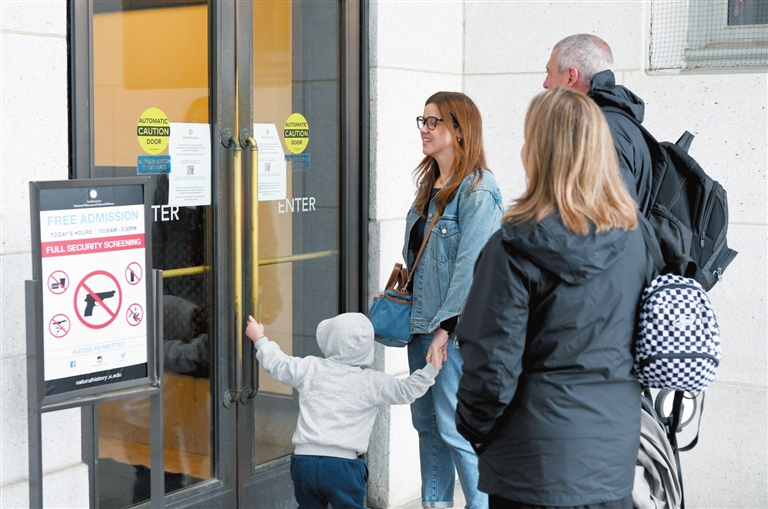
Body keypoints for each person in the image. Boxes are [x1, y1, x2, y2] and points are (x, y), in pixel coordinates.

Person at [454, 87, 659, 508]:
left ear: (539, 153)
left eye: (527, 138)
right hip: (611, 461)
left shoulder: (512, 247)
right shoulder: (637, 240)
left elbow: (491, 366)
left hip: (530, 467)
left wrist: (476, 431)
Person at [403, 91, 504, 509]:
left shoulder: (478, 189)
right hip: (420, 327)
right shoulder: (428, 187)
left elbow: (473, 268)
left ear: (460, 131)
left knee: (456, 430)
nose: (424, 130)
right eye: (422, 121)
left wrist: (446, 329)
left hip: (452, 334)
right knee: (427, 427)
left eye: (434, 122)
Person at [245, 313, 440, 508]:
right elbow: (407, 390)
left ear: (330, 340)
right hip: (343, 466)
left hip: (304, 462)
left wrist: (259, 338)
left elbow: (278, 363)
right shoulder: (372, 382)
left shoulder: (310, 368)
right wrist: (432, 367)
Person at [543, 33, 653, 216]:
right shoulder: (615, 121)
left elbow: (611, 221)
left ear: (570, 77)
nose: (545, 84)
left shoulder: (598, 130)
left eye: (549, 73)